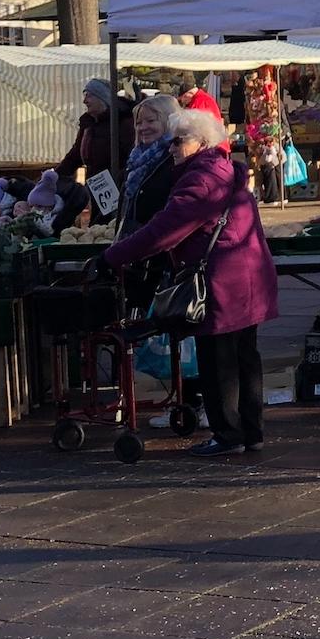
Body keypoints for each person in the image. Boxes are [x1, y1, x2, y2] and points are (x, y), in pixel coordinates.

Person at [104, 107, 279, 457]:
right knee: (244, 356)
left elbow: (165, 229)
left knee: (218, 360)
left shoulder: (202, 178)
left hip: (222, 282)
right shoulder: (222, 170)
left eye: (178, 141)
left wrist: (112, 256)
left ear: (203, 143)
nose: (171, 147)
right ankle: (251, 432)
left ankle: (228, 434)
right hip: (247, 279)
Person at [52, 81, 121, 228]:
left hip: (116, 183)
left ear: (102, 98)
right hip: (96, 183)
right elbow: (76, 154)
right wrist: (54, 176)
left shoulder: (120, 122)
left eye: (89, 96)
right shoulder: (88, 123)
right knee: (98, 225)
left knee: (111, 225)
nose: (84, 101)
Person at [119, 94, 183, 239]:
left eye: (151, 121)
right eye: (139, 123)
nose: (143, 127)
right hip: (136, 241)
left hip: (158, 241)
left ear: (168, 121)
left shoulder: (175, 158)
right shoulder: (135, 158)